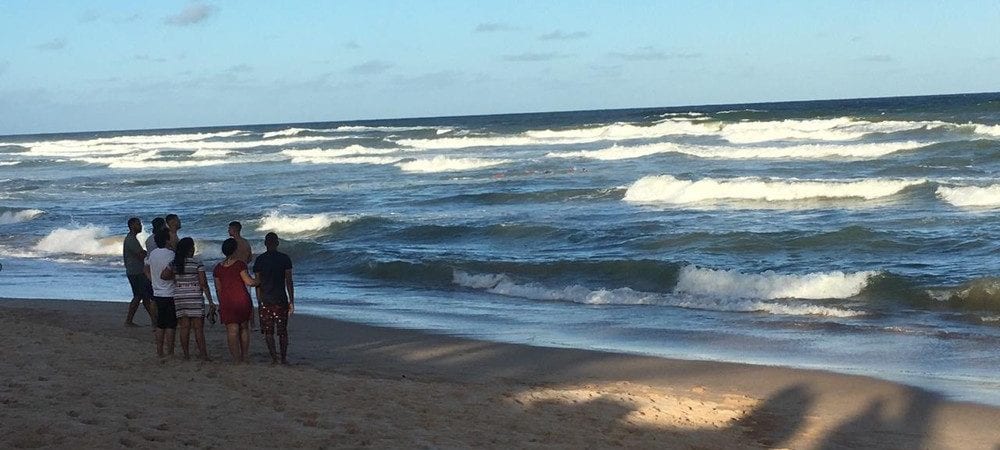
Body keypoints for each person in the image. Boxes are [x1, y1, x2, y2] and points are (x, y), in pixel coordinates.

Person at [169, 237, 216, 361]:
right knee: (198, 329)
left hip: (179, 297)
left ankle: (186, 355)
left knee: (184, 328)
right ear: (190, 249)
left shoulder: (175, 263)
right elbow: (203, 283)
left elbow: (164, 275)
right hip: (194, 297)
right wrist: (210, 301)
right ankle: (203, 355)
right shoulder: (197, 263)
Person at [213, 238, 258, 364]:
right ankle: (244, 356)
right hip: (241, 299)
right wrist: (259, 280)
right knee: (244, 328)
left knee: (232, 331)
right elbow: (248, 281)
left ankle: (236, 359)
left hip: (227, 301)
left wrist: (220, 303)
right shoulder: (240, 264)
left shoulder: (217, 268)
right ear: (235, 249)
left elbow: (218, 289)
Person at [253, 232, 294, 365]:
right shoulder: (285, 258)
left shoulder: (260, 260)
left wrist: (258, 301)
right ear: (277, 243)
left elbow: (257, 283)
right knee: (282, 332)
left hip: (266, 299)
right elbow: (289, 281)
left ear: (265, 244)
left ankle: (274, 359)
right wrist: (291, 300)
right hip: (280, 299)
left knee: (268, 332)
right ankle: (283, 358)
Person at [144, 228, 177, 358]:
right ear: (167, 240)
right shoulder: (171, 255)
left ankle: (159, 351)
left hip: (157, 292)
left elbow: (145, 267)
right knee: (170, 325)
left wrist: (151, 278)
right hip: (169, 292)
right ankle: (170, 351)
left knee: (160, 324)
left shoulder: (152, 254)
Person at [123, 217, 155, 327]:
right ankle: (128, 321)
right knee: (139, 296)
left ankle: (154, 320)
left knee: (144, 296)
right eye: (138, 224)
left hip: (136, 271)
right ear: (132, 226)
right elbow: (140, 255)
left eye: (140, 224)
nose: (140, 226)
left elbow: (141, 253)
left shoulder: (132, 239)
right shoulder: (131, 239)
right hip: (136, 272)